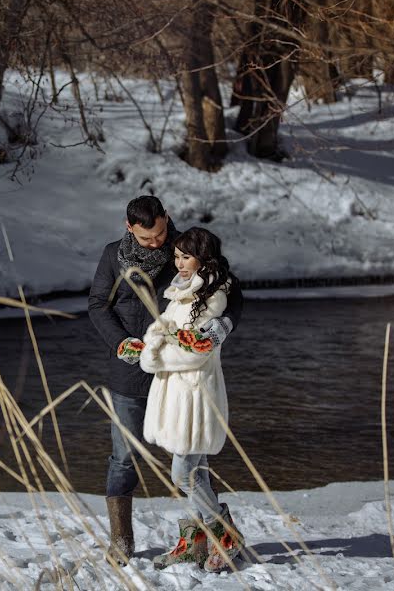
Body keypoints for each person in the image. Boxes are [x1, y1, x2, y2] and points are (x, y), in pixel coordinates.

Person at [88, 196, 243, 565]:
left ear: (166, 219)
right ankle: (121, 540)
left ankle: (204, 537)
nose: (156, 243)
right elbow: (97, 305)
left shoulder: (187, 249)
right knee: (124, 457)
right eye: (147, 239)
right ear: (129, 228)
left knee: (188, 457)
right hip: (129, 371)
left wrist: (222, 326)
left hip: (178, 375)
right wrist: (120, 341)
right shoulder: (113, 256)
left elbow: (230, 292)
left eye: (160, 233)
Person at [139, 226, 244, 572]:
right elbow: (160, 326)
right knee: (196, 472)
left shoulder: (213, 297)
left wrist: (155, 357)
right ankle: (197, 540)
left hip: (195, 395)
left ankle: (224, 532)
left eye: (185, 257)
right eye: (177, 257)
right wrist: (157, 341)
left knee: (183, 475)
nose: (179, 263)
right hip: (176, 394)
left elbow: (195, 354)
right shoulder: (181, 292)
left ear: (203, 258)